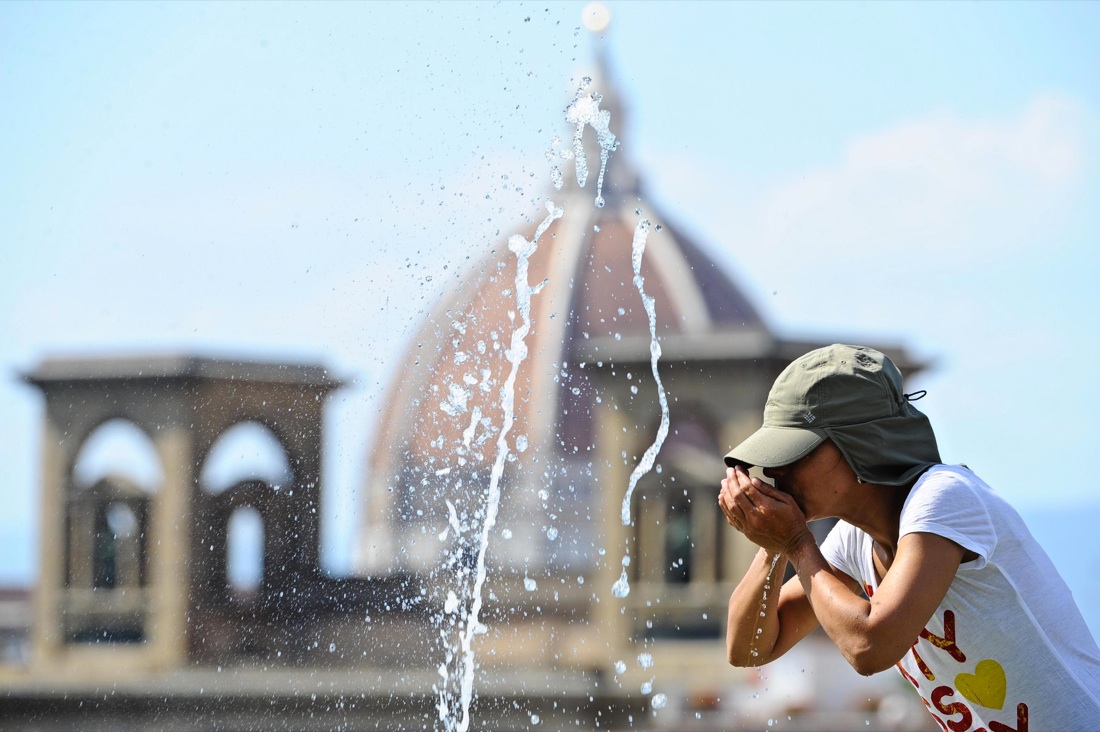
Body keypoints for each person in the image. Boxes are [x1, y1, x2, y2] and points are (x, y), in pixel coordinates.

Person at [718, 344, 1100, 730]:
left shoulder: (945, 497)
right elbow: (748, 648)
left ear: (859, 444)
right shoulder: (855, 540)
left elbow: (869, 647)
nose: (775, 470)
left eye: (793, 453)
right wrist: (773, 547)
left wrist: (797, 545)